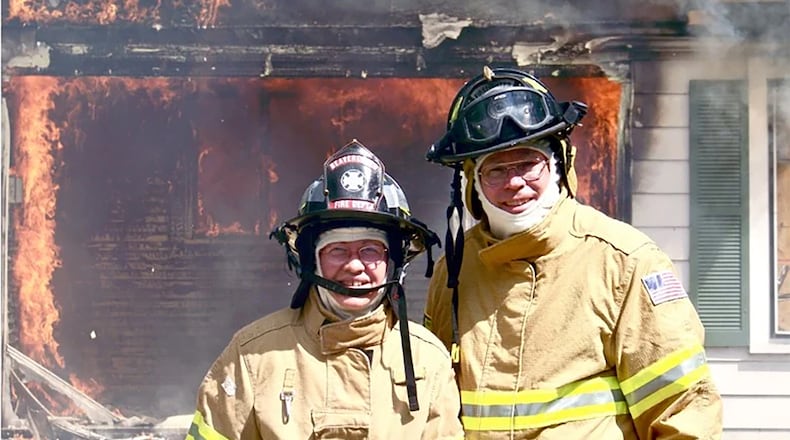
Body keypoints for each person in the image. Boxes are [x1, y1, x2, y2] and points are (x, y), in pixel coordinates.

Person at [422, 66, 723, 439]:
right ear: (472, 183)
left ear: (559, 164)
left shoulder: (625, 262)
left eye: (529, 163)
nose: (515, 182)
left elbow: (684, 413)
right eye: (495, 170)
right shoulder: (453, 272)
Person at [186, 140, 464, 439]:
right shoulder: (252, 355)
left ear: (394, 264)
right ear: (310, 261)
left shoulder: (428, 359)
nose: (355, 266)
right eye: (337, 250)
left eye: (371, 250)